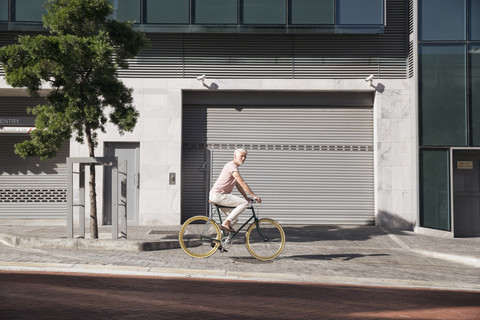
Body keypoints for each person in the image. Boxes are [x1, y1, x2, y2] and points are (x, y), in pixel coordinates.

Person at [209, 148, 261, 233]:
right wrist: (254, 196)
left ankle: (217, 241)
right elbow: (242, 184)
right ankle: (226, 223)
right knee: (244, 203)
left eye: (245, 157)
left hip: (217, 196)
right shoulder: (232, 166)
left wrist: (246, 197)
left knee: (234, 220)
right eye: (241, 156)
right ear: (235, 156)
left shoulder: (234, 168)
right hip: (219, 195)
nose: (243, 158)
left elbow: (239, 186)